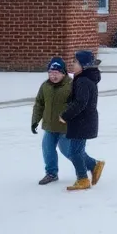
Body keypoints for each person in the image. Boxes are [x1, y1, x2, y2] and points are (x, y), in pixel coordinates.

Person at [59, 49, 105, 191]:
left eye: (75, 62)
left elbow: (80, 102)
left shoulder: (83, 81)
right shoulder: (84, 78)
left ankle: (83, 179)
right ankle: (94, 165)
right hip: (84, 120)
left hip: (82, 121)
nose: (72, 64)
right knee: (77, 150)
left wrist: (65, 115)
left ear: (83, 65)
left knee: (74, 152)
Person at [32, 57, 74, 185]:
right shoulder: (45, 86)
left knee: (69, 152)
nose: (53, 76)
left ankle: (91, 165)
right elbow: (39, 104)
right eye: (50, 73)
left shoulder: (71, 85)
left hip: (65, 127)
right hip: (49, 126)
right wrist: (35, 121)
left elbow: (77, 105)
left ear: (63, 73)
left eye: (56, 73)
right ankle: (51, 173)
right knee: (47, 149)